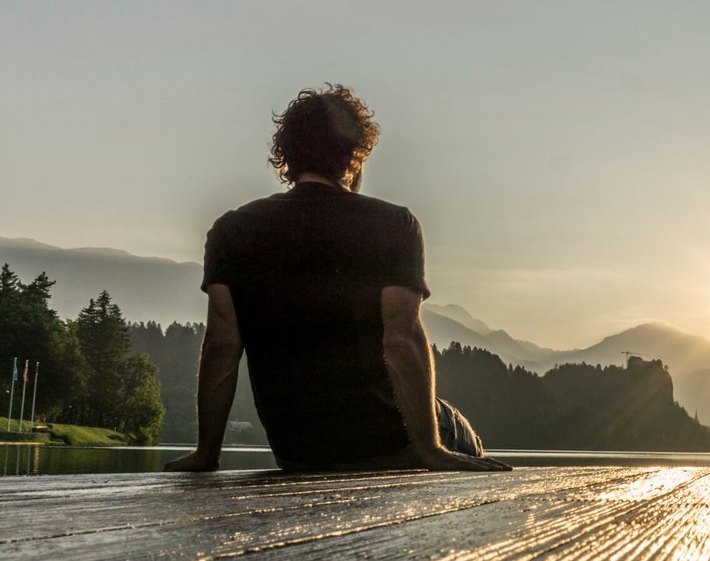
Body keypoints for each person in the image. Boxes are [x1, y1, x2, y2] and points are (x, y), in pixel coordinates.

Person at [165, 85, 509, 473]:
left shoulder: (230, 231)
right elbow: (402, 338)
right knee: (462, 431)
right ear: (355, 154)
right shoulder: (394, 224)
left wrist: (205, 454)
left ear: (286, 155)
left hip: (298, 452)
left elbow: (222, 346)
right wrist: (430, 450)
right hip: (387, 445)